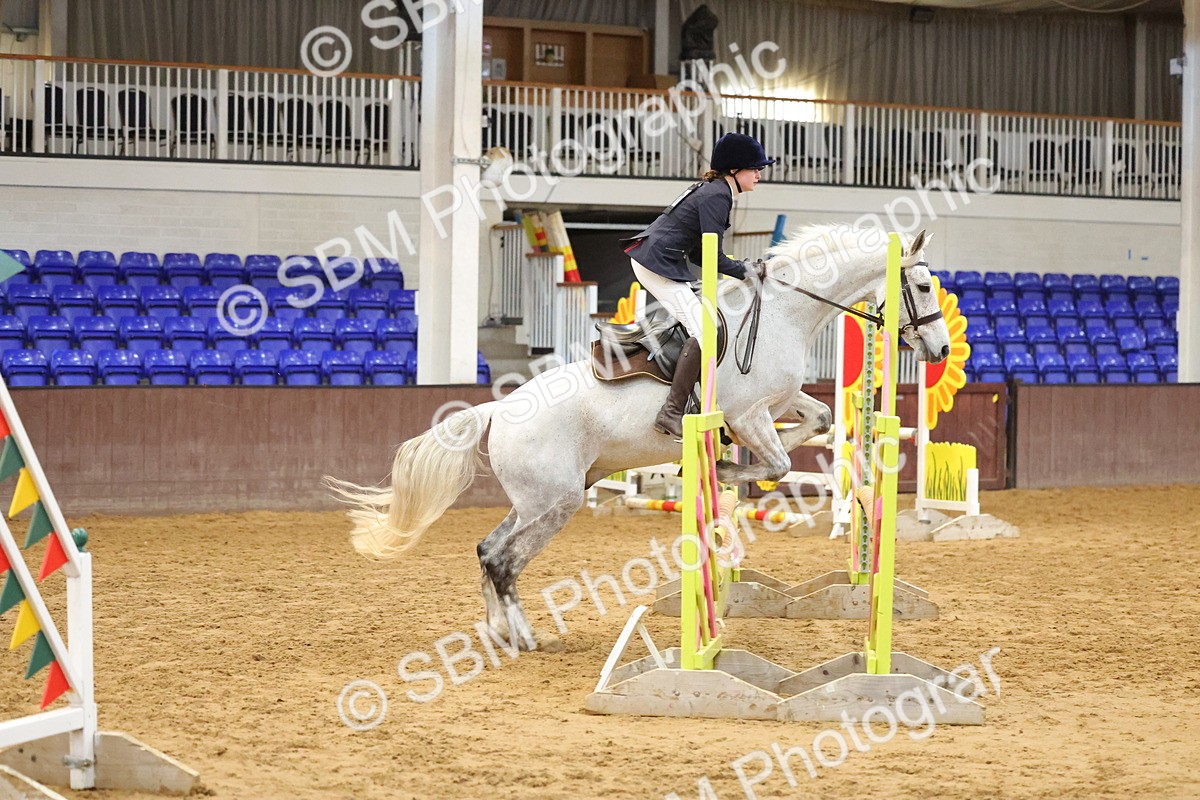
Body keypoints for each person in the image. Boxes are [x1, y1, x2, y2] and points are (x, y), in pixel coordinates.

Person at [620, 132, 774, 437]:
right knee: (707, 330)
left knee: (705, 324)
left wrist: (743, 269)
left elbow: (700, 253)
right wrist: (747, 270)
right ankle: (671, 412)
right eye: (754, 169)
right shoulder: (718, 196)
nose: (759, 174)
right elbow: (712, 256)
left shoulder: (715, 190)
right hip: (657, 265)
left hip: (660, 261)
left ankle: (697, 402)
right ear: (734, 170)